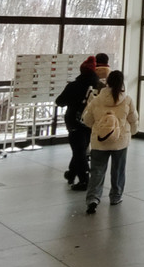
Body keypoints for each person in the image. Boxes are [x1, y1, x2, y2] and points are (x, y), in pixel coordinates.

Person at [80, 69, 138, 215]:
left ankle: (93, 199)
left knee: (97, 171)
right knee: (118, 170)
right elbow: (133, 120)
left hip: (100, 141)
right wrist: (131, 132)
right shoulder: (127, 100)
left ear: (107, 82)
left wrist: (98, 127)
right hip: (120, 141)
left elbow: (87, 120)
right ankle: (116, 197)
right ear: (122, 82)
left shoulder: (97, 100)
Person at [54, 54, 106, 189]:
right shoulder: (100, 86)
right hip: (91, 122)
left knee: (79, 151)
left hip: (75, 122)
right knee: (81, 149)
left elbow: (59, 101)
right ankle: (72, 173)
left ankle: (84, 180)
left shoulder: (74, 86)